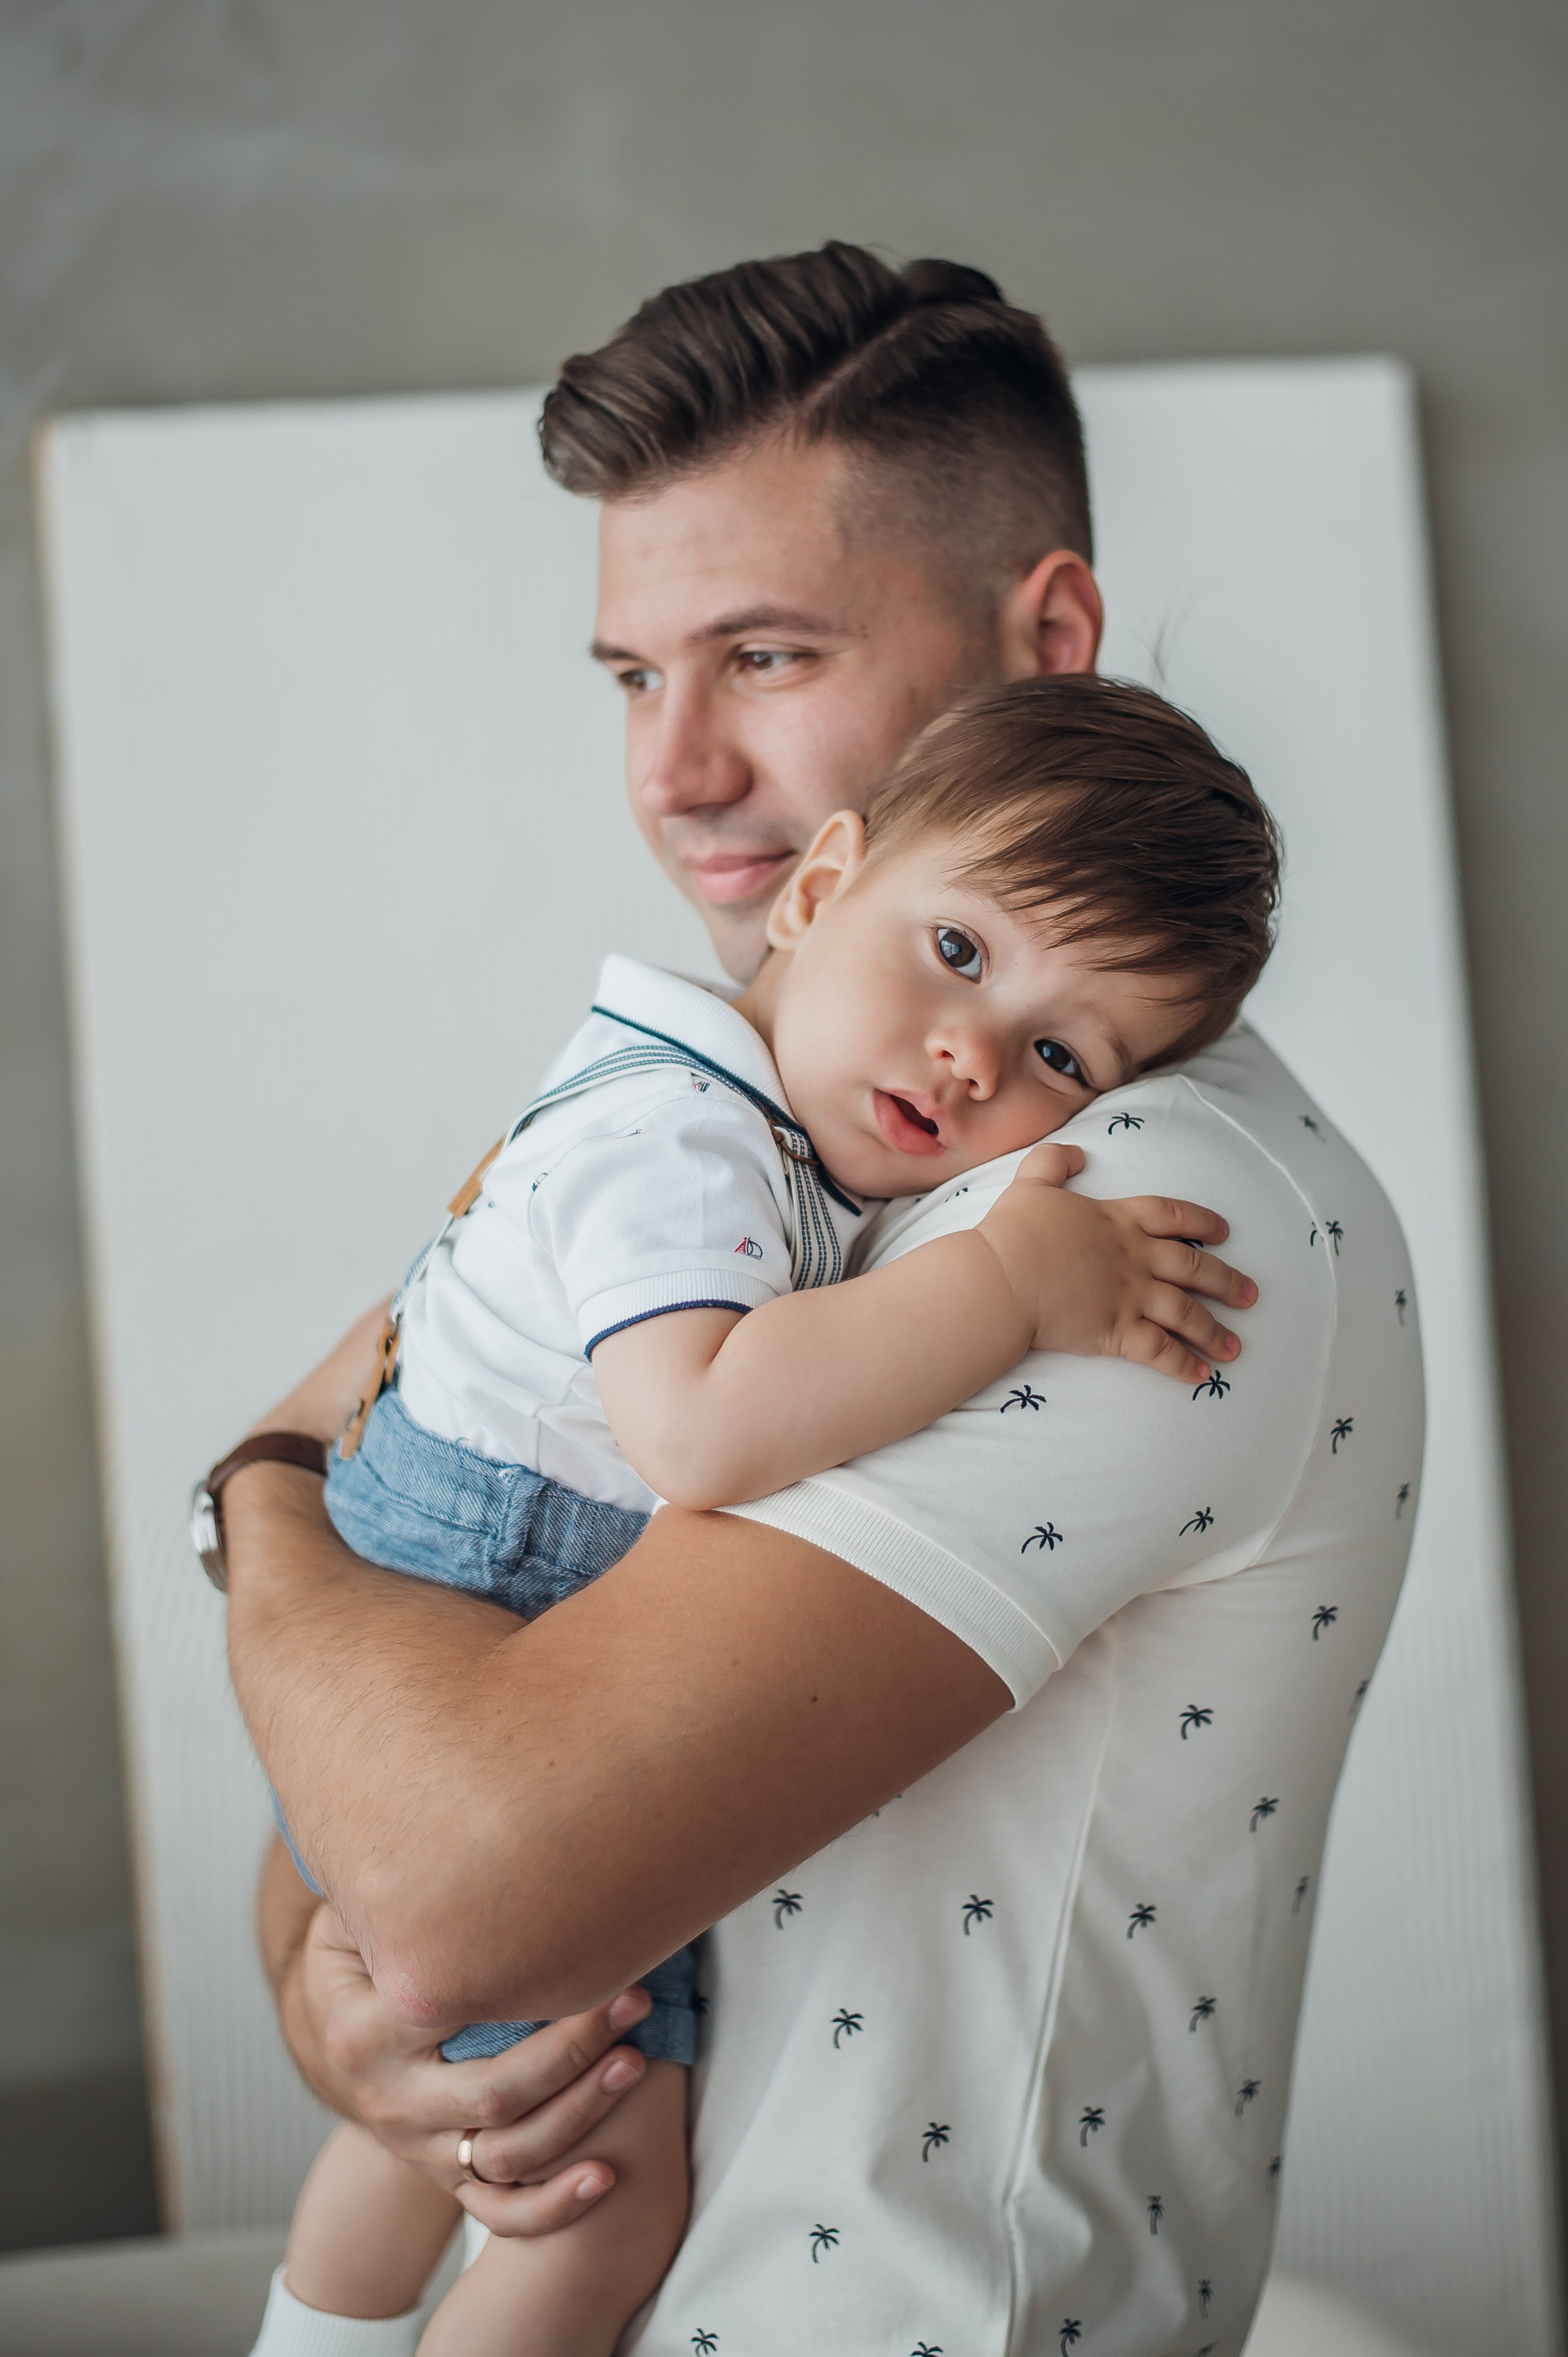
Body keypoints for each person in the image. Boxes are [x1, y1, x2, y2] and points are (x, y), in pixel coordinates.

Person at [221, 245, 1423, 2357]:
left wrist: (253, 1499)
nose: (674, 770)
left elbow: (455, 1881)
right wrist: (354, 2021)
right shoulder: (763, 1141)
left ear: (1050, 638)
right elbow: (368, 1826)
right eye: (632, 676)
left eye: (763, 656)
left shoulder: (1119, 1214)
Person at [254, 678, 1275, 2356]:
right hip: (485, 1588)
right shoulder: (681, 1137)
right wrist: (1011, 1286)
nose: (973, 1054)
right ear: (820, 887)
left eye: (1061, 1057)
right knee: (599, 2205)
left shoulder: (724, 1110)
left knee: (429, 2138)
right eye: (959, 951)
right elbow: (704, 1428)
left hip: (448, 1582)